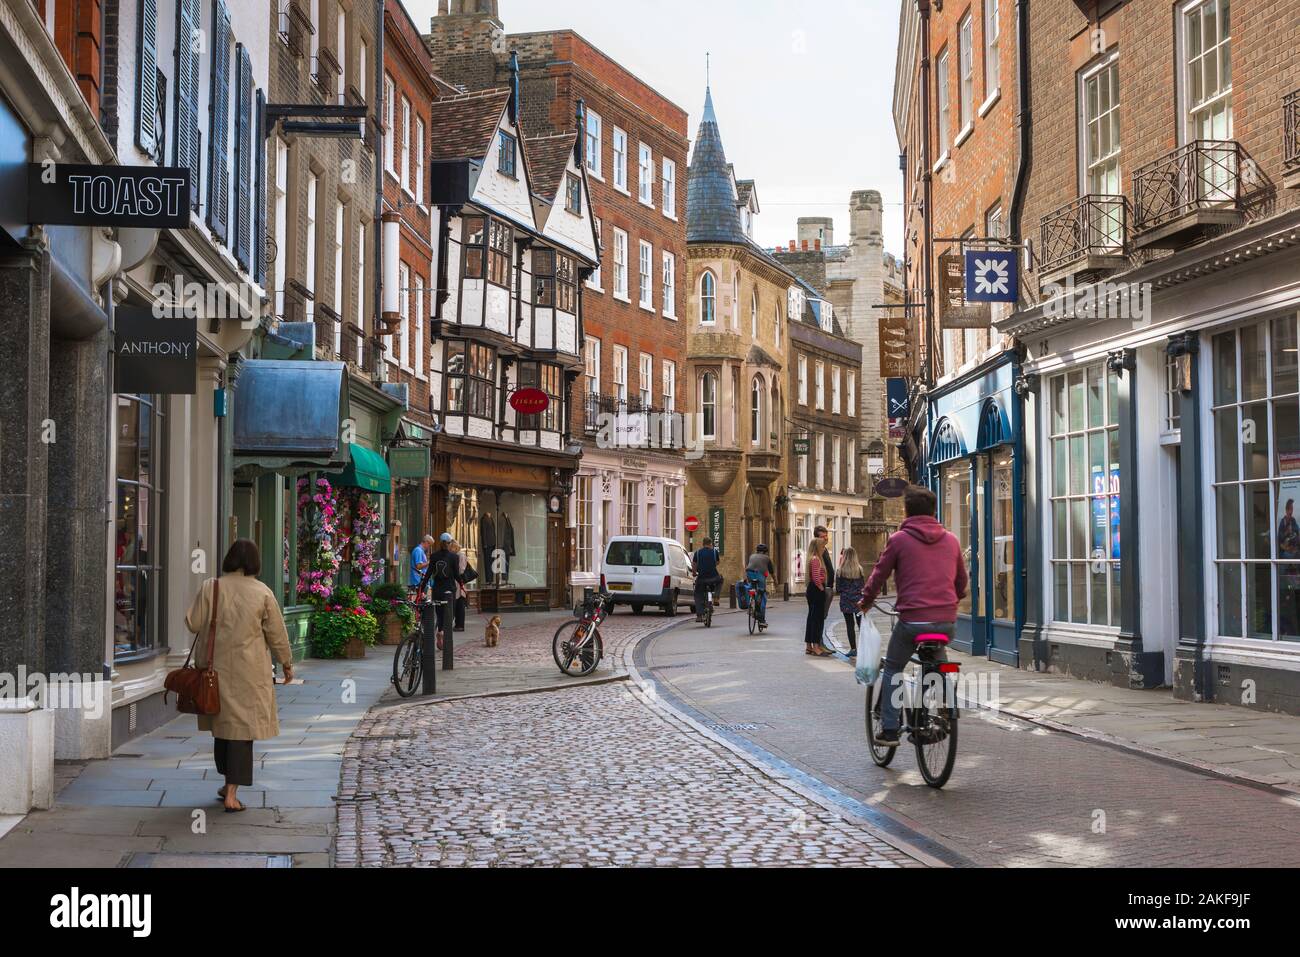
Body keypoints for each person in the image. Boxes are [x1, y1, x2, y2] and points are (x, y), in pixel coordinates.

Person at [184, 540, 294, 813]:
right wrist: (287, 664)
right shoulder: (263, 592)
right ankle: (232, 793)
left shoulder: (212, 586)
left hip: (214, 670)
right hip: (250, 672)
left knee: (222, 729)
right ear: (255, 562)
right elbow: (277, 634)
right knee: (241, 733)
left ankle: (226, 784)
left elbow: (192, 623)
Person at [859, 486, 968, 748]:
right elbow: (961, 582)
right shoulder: (952, 540)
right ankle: (944, 710)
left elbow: (878, 575)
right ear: (934, 511)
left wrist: (866, 600)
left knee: (894, 668)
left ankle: (889, 729)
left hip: (913, 621)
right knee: (938, 663)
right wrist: (951, 599)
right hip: (946, 621)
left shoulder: (898, 540)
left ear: (907, 511)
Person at [417, 533, 461, 645]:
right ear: (450, 543)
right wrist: (462, 584)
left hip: (437, 589)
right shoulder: (454, 557)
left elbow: (428, 573)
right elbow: (456, 574)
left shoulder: (434, 556)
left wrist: (421, 588)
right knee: (450, 613)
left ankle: (440, 630)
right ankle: (443, 632)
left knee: (440, 612)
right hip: (450, 589)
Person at [804, 537, 834, 656]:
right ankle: (816, 646)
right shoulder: (816, 559)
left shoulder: (812, 559)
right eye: (823, 546)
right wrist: (822, 590)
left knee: (811, 618)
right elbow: (816, 578)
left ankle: (808, 646)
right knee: (817, 619)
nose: (824, 549)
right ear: (818, 547)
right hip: (817, 590)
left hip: (812, 589)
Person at [836, 546, 867, 658]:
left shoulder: (840, 571)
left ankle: (853, 649)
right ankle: (865, 648)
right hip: (858, 601)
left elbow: (838, 589)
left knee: (850, 625)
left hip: (846, 600)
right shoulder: (859, 569)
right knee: (861, 625)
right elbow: (862, 586)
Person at [691, 537, 722, 622]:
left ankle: (699, 616)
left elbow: (694, 565)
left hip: (702, 578)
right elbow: (718, 562)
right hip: (714, 578)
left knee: (698, 594)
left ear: (703, 543)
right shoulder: (714, 552)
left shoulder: (697, 553)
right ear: (711, 543)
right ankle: (716, 597)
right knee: (720, 580)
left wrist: (694, 573)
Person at [745, 543, 776, 625]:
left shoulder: (752, 556)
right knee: (762, 595)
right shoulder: (767, 558)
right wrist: (775, 582)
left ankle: (750, 606)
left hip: (749, 573)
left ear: (757, 551)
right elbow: (772, 572)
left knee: (751, 589)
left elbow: (749, 566)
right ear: (766, 552)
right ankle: (761, 619)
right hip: (759, 575)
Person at [448, 539, 468, 632]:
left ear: (454, 547)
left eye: (451, 548)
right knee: (456, 603)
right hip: (455, 582)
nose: (450, 550)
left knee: (460, 604)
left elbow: (461, 570)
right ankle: (457, 624)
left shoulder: (461, 555)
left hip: (459, 582)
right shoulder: (456, 555)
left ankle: (460, 625)